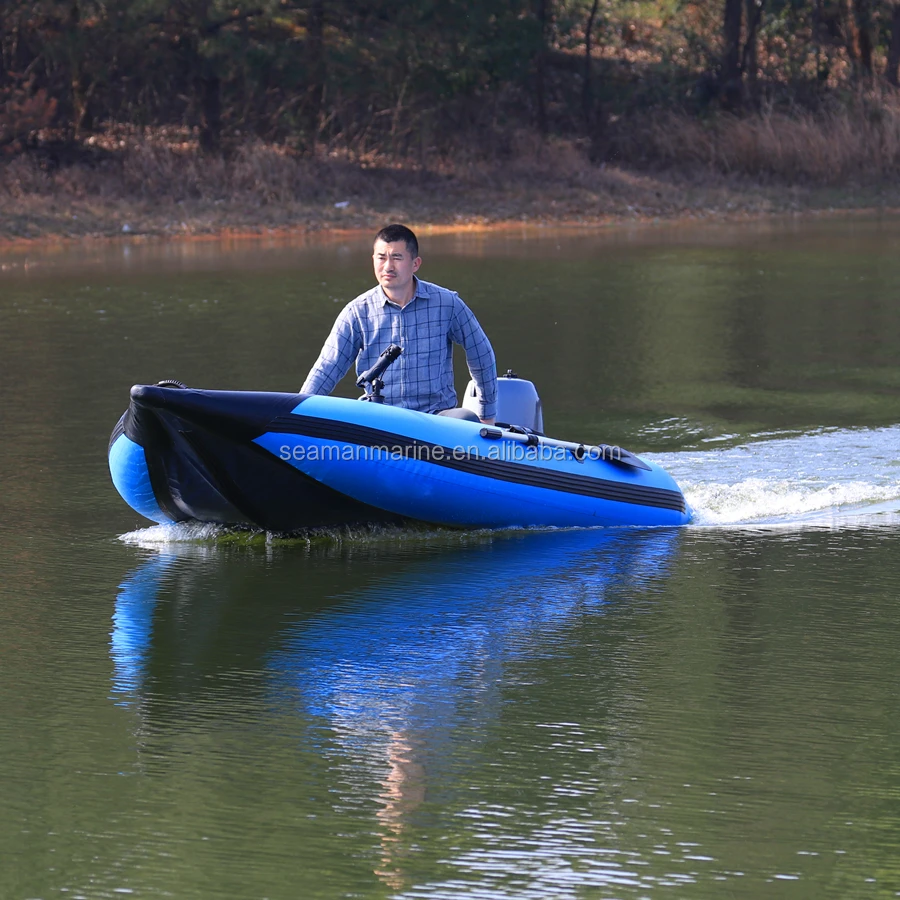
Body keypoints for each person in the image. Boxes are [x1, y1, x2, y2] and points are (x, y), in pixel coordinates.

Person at [301, 224, 497, 424]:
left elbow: (481, 353)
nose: (388, 266)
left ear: (415, 263)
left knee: (466, 419)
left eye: (396, 257)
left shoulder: (447, 303)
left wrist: (487, 414)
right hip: (377, 415)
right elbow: (327, 368)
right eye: (381, 257)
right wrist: (295, 413)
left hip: (436, 416)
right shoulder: (357, 312)